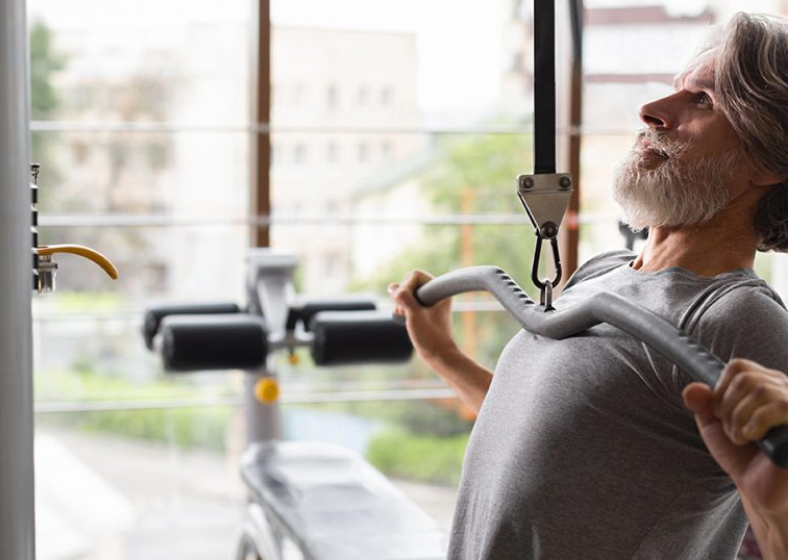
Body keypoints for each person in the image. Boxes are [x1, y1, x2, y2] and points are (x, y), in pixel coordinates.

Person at [390, 12, 788, 560]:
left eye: (703, 101)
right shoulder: (605, 272)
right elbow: (547, 446)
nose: (651, 111)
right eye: (678, 89)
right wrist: (443, 355)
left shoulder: (735, 318)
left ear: (767, 160)